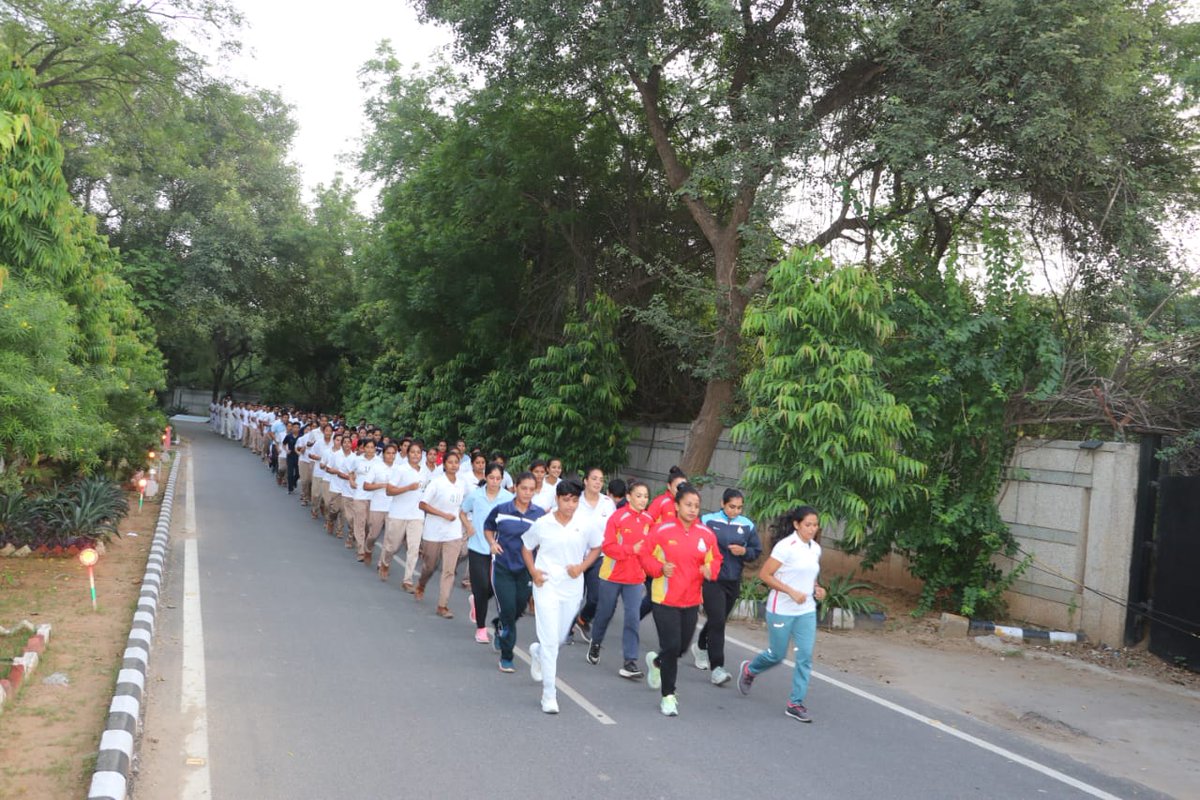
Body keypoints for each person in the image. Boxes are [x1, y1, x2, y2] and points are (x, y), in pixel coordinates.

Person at [638, 483, 721, 717]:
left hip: (691, 600)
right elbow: (644, 554)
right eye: (688, 505)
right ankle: (668, 696)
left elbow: (716, 560)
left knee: (681, 648)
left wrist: (710, 570)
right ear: (676, 505)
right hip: (664, 598)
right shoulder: (662, 530)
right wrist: (659, 568)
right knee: (672, 645)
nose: (693, 509)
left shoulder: (706, 534)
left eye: (696, 506)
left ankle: (657, 663)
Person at [737, 506, 826, 723]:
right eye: (808, 525)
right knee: (777, 655)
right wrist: (790, 591)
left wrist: (817, 588)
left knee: (804, 656)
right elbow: (765, 575)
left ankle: (795, 703)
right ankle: (750, 669)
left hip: (805, 610)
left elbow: (808, 574)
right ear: (796, 525)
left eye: (815, 525)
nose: (812, 529)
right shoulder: (785, 547)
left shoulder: (815, 548)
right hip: (781, 609)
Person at [523, 478, 603, 714]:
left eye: (574, 500)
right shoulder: (543, 523)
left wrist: (581, 567)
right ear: (557, 499)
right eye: (566, 500)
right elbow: (526, 547)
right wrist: (534, 572)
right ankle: (549, 694)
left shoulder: (586, 523)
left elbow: (597, 547)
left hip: (572, 588)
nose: (570, 505)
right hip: (546, 584)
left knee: (557, 640)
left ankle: (537, 651)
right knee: (551, 643)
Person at [693, 489, 762, 685]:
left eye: (739, 508)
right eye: (732, 507)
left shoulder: (747, 525)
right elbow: (695, 544)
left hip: (733, 580)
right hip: (712, 579)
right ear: (723, 503)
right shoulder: (708, 520)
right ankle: (717, 668)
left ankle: (700, 646)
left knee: (718, 619)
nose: (735, 511)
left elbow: (756, 551)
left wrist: (744, 551)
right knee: (718, 622)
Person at [587, 480, 652, 679]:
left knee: (633, 618)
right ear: (629, 496)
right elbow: (608, 547)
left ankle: (630, 661)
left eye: (646, 496)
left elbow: (651, 548)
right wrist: (631, 550)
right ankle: (595, 642)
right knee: (605, 613)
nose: (643, 500)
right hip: (612, 575)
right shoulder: (617, 517)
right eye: (639, 495)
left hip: (635, 578)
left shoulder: (649, 520)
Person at [483, 473, 545, 673]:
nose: (527, 493)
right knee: (509, 611)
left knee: (518, 608)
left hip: (526, 570)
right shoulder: (501, 510)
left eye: (531, 489)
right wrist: (492, 543)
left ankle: (499, 624)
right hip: (503, 567)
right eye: (523, 488)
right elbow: (488, 527)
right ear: (515, 488)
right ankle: (507, 656)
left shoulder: (539, 514)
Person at [461, 463, 513, 642]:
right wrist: (468, 526)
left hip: (498, 549)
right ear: (486, 476)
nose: (494, 482)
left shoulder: (508, 498)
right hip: (477, 546)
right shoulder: (476, 496)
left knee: (493, 587)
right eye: (491, 478)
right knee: (482, 585)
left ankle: (477, 600)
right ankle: (481, 628)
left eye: (498, 479)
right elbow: (462, 511)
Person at [416, 452, 468, 618]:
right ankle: (422, 584)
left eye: (456, 462)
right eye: (450, 462)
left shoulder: (462, 484)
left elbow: (464, 506)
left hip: (453, 532)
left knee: (449, 570)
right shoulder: (436, 483)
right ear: (444, 465)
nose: (454, 465)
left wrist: (467, 523)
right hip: (433, 531)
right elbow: (422, 504)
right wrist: (443, 515)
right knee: (429, 566)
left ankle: (442, 605)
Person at [570, 467, 616, 643]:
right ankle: (567, 630)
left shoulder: (607, 503)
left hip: (599, 556)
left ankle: (583, 619)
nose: (598, 482)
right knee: (574, 596)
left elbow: (613, 529)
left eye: (601, 480)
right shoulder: (575, 500)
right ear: (586, 481)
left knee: (596, 597)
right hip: (576, 555)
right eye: (594, 478)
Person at [640, 466, 689, 620]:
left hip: (676, 560)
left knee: (668, 598)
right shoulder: (661, 502)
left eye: (684, 487)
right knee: (654, 597)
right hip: (656, 558)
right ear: (669, 486)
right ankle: (633, 622)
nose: (681, 490)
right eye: (678, 487)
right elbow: (645, 524)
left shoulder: (686, 505)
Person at [380, 440, 428, 587]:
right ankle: (385, 562)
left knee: (413, 549)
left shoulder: (424, 471)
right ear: (407, 454)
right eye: (412, 452)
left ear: (421, 455)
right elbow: (389, 491)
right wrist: (407, 488)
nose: (415, 455)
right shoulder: (400, 469)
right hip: (398, 514)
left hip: (416, 515)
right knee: (392, 547)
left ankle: (407, 580)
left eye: (418, 452)